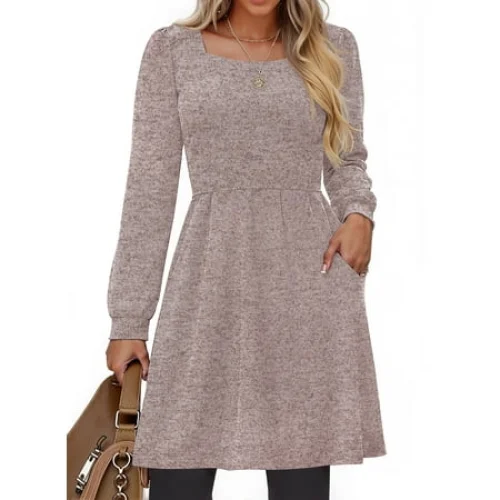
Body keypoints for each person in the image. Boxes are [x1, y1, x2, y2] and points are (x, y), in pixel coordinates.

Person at [105, 0, 386, 498]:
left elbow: (346, 159)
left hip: (305, 287)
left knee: (301, 480)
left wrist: (358, 213)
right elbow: (149, 186)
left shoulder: (333, 46)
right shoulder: (172, 50)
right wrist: (129, 318)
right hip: (206, 283)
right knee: (178, 470)